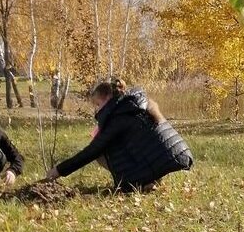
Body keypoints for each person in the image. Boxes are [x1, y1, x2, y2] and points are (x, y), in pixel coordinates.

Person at [45, 78, 193, 192]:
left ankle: (142, 182)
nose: (96, 111)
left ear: (107, 98)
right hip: (177, 155)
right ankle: (151, 179)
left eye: (97, 104)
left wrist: (59, 170)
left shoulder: (118, 117)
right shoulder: (134, 105)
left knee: (100, 152)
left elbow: (91, 152)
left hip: (167, 160)